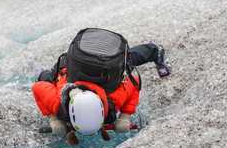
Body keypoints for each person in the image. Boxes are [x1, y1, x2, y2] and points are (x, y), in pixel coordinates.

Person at [32, 33, 172, 138]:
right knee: (44, 78)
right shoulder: (57, 104)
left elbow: (134, 82)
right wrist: (54, 118)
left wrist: (125, 116)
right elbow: (37, 87)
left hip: (103, 70)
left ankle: (155, 50)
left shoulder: (114, 99)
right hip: (69, 69)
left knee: (126, 62)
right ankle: (46, 73)